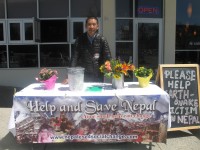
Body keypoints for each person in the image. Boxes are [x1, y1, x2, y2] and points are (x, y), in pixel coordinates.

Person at [64, 16, 111, 83]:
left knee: (98, 92)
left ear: (97, 26)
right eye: (89, 24)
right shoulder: (80, 40)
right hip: (84, 75)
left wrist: (111, 71)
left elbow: (107, 57)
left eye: (94, 24)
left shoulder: (102, 40)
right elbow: (74, 58)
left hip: (98, 75)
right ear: (86, 26)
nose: (91, 27)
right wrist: (69, 76)